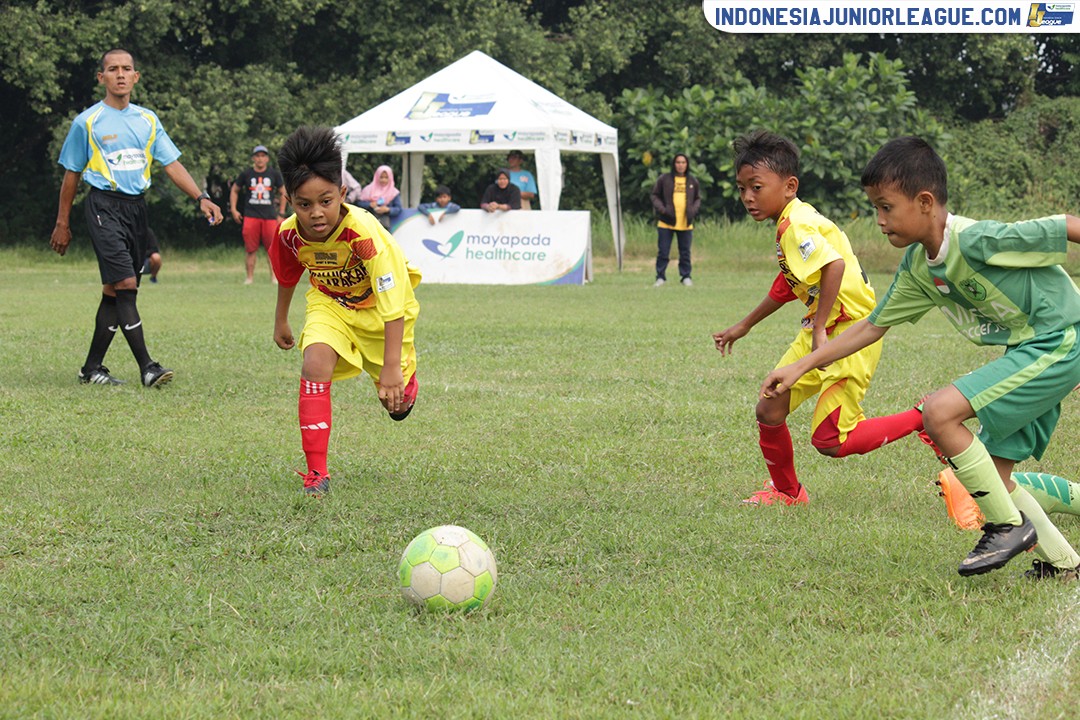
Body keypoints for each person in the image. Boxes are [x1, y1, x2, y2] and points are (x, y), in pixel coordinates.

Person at [761, 136, 1080, 580]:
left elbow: (1064, 224)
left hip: (1061, 338)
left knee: (940, 413)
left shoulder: (975, 240)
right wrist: (799, 366)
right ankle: (1064, 563)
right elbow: (872, 325)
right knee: (994, 475)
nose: (878, 220)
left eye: (886, 207)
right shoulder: (917, 266)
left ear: (925, 202)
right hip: (1030, 347)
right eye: (875, 208)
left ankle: (1005, 526)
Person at [714, 130, 927, 507]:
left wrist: (818, 337)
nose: (747, 196)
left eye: (756, 186)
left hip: (850, 331)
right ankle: (786, 492)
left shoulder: (795, 225)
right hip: (824, 326)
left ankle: (925, 418)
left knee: (831, 440)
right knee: (770, 405)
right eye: (742, 187)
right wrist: (745, 324)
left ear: (789, 185)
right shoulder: (794, 219)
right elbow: (792, 278)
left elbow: (833, 266)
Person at [50, 48, 223, 388]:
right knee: (126, 285)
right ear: (102, 78)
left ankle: (91, 368)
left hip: (136, 209)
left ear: (135, 77)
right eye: (112, 69)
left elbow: (171, 163)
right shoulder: (86, 122)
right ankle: (148, 367)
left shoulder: (147, 120)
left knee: (116, 292)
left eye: (126, 68)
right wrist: (62, 222)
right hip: (103, 205)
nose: (120, 74)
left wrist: (201, 197)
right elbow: (71, 174)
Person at [269, 126, 422, 498]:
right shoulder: (289, 234)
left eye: (325, 201)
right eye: (304, 205)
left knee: (398, 406)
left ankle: (402, 376)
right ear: (290, 201)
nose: (316, 213)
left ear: (342, 194)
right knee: (314, 362)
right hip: (329, 303)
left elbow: (393, 304)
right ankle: (316, 474)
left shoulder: (364, 233)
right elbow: (288, 276)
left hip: (377, 311)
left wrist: (389, 369)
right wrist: (281, 320)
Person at [230, 144, 287, 285]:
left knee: (272, 250)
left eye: (263, 156)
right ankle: (249, 278)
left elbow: (283, 192)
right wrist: (233, 209)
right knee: (250, 249)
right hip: (251, 215)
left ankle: (274, 278)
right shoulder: (246, 174)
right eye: (257, 156)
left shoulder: (274, 174)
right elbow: (234, 190)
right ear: (253, 158)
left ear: (267, 159)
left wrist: (281, 212)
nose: (260, 159)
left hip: (269, 216)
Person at [650, 153, 701, 287]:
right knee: (663, 252)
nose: (680, 165)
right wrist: (663, 210)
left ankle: (686, 276)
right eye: (678, 162)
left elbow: (697, 198)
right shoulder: (664, 179)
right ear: (674, 164)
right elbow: (655, 196)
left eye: (683, 162)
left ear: (687, 164)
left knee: (685, 252)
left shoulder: (692, 181)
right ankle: (660, 277)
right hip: (666, 222)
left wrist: (693, 210)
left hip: (685, 223)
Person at [355, 165, 402, 230]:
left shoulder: (394, 192)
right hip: (368, 224)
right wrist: (369, 204)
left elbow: (398, 209)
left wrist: (388, 210)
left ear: (390, 178)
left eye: (386, 177)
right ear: (376, 177)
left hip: (384, 226)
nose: (383, 180)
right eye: (381, 177)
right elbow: (359, 203)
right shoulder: (368, 189)